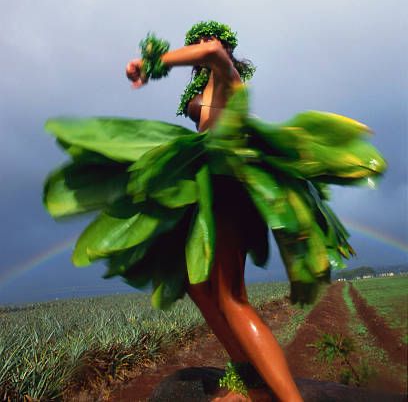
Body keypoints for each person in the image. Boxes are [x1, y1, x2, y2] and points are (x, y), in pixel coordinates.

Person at [44, 21, 386, 402]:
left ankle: (288, 397)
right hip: (212, 188)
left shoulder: (227, 73)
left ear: (224, 45)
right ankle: (248, 377)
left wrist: (152, 62)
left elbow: (212, 54)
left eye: (209, 39)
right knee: (197, 285)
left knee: (231, 297)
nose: (204, 45)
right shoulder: (207, 85)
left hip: (230, 186)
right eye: (199, 40)